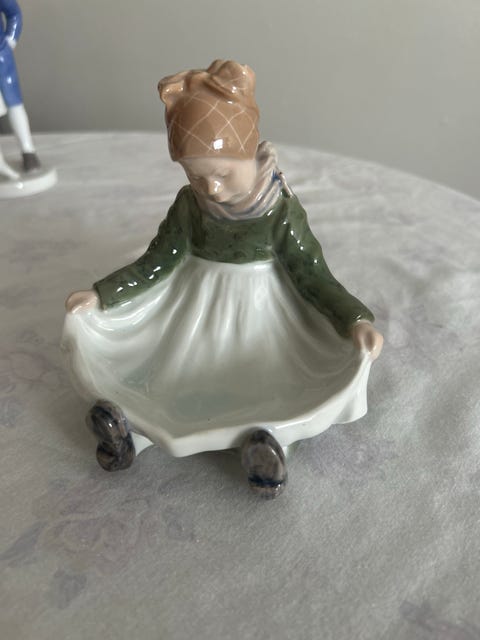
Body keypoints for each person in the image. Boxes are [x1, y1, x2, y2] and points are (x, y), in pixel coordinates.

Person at [63, 60, 383, 498]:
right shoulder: (190, 205)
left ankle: (266, 447)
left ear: (248, 153)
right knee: (169, 375)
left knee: (268, 382)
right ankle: (129, 431)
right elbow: (157, 260)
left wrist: (354, 319)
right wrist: (104, 295)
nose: (211, 188)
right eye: (197, 176)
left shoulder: (280, 210)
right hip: (191, 312)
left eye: (223, 173)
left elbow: (311, 273)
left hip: (261, 318)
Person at [0, 0, 41, 179]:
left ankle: (28, 150)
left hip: (2, 58)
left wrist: (10, 40)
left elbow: (14, 13)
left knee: (14, 103)